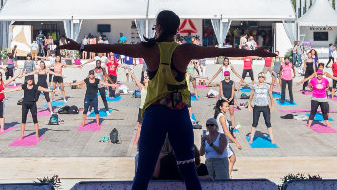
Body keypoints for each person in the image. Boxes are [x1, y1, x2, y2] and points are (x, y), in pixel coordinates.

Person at [57, 10, 272, 190]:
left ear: (158, 27)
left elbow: (112, 47)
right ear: (176, 29)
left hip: (155, 115)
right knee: (190, 174)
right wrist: (256, 53)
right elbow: (220, 50)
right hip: (179, 116)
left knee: (143, 174)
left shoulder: (149, 49)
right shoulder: (184, 50)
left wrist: (80, 47)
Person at [214, 99, 241, 176]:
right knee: (231, 158)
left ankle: (227, 174)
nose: (228, 108)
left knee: (232, 158)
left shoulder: (220, 116)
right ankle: (226, 175)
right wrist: (236, 142)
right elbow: (226, 132)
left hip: (222, 140)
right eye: (226, 106)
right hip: (222, 141)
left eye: (228, 106)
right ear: (220, 107)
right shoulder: (221, 117)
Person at [247, 72, 275, 143]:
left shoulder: (267, 86)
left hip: (265, 106)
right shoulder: (254, 86)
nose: (261, 78)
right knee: (254, 123)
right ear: (258, 78)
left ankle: (272, 139)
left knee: (268, 123)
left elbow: (271, 97)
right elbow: (251, 96)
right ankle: (251, 139)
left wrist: (272, 106)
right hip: (257, 107)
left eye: (262, 77)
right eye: (260, 77)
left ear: (264, 78)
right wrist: (249, 105)